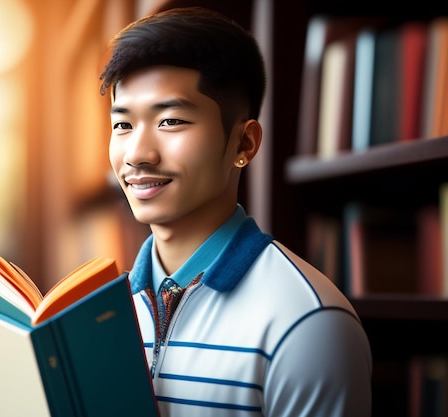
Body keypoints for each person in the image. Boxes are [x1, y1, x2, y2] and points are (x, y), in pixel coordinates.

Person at [99, 6, 372, 417]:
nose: (137, 154)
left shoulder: (308, 324)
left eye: (171, 120)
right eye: (123, 125)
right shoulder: (100, 313)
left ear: (244, 144)